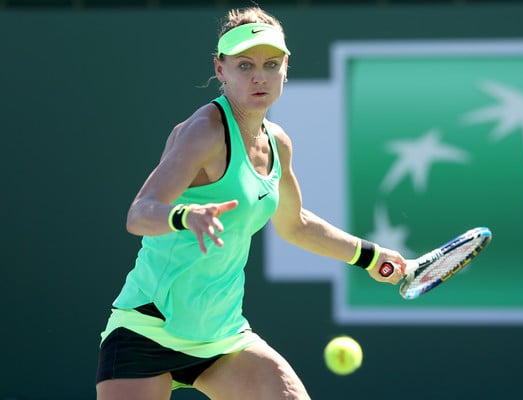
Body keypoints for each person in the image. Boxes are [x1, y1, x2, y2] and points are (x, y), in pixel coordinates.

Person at [96, 6, 407, 400]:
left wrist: (370, 256)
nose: (259, 76)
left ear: (285, 67)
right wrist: (185, 216)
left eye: (270, 64)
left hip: (222, 337)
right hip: (148, 328)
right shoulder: (202, 132)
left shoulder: (277, 142)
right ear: (220, 69)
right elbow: (140, 213)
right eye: (244, 66)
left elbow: (296, 225)